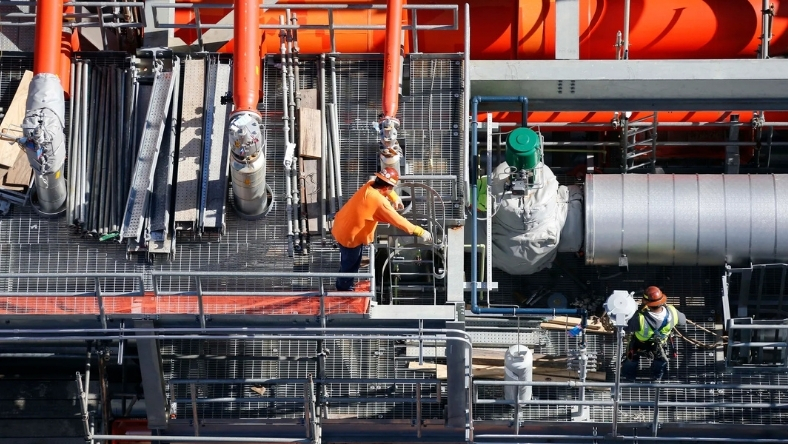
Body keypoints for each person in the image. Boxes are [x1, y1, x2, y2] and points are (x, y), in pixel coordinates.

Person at [332, 167, 432, 291]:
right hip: (350, 237)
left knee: (349, 260)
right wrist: (420, 231)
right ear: (386, 187)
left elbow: (385, 188)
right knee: (351, 264)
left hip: (341, 225)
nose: (391, 190)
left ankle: (344, 284)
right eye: (392, 188)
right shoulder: (379, 202)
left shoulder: (369, 185)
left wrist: (395, 198)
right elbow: (398, 220)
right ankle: (344, 290)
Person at [622, 286, 686, 382]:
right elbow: (683, 321)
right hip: (659, 345)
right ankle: (657, 377)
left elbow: (626, 327)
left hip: (639, 344)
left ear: (646, 302)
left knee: (631, 359)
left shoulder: (639, 318)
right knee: (660, 360)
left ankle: (628, 376)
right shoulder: (672, 312)